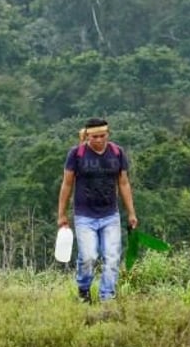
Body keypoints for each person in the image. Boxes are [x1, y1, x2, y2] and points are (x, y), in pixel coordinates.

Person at [57, 117, 138, 302]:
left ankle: (106, 298)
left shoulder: (117, 153)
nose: (99, 140)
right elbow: (67, 184)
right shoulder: (76, 154)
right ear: (87, 136)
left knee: (112, 258)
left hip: (110, 214)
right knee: (89, 256)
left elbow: (124, 183)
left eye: (102, 136)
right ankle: (83, 290)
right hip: (84, 215)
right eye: (95, 137)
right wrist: (61, 214)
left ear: (108, 134)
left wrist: (131, 212)